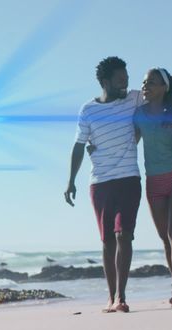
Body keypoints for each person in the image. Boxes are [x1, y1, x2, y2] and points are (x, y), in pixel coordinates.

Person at [65, 56, 144, 313]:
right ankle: (111, 298)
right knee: (108, 241)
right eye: (120, 80)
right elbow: (78, 146)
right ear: (105, 81)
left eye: (127, 79)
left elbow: (158, 96)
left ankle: (121, 297)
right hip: (100, 182)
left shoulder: (134, 98)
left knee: (125, 234)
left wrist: (139, 134)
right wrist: (71, 182)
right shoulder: (88, 109)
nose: (125, 84)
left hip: (129, 177)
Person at [133, 68, 172, 307]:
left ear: (164, 88)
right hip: (154, 182)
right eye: (144, 82)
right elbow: (131, 143)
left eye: (152, 83)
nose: (146, 86)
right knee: (165, 239)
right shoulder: (139, 114)